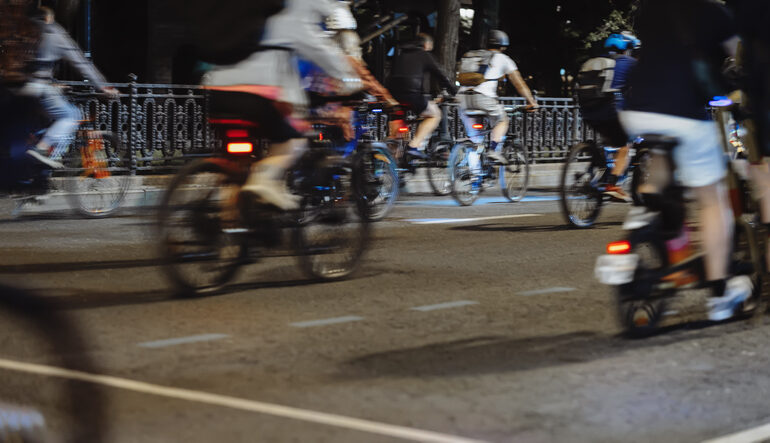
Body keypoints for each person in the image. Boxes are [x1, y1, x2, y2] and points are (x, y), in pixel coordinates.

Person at [619, 0, 749, 321]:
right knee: (712, 198)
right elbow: (741, 57)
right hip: (682, 111)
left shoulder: (651, 9)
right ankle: (721, 296)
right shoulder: (714, 11)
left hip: (635, 107)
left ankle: (650, 203)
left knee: (663, 163)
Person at [202, 0, 362, 211]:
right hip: (261, 92)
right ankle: (264, 179)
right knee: (294, 141)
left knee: (235, 165)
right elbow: (321, 51)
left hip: (217, 90)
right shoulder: (291, 13)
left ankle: (227, 224)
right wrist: (350, 80)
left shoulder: (243, 14)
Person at [14, 6, 117, 169]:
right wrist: (104, 86)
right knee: (71, 115)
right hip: (38, 87)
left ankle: (31, 172)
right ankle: (41, 150)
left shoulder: (23, 31)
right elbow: (81, 62)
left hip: (16, 88)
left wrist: (55, 83)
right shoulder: (54, 33)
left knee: (36, 126)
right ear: (48, 19)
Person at [457, 29, 538, 166]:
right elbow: (519, 84)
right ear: (503, 46)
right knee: (502, 120)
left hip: (462, 98)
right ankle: (494, 151)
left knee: (475, 139)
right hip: (483, 98)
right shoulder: (502, 58)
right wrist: (531, 102)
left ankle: (474, 177)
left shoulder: (472, 55)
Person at [576, 32, 640, 202]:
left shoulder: (596, 64)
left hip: (588, 111)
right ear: (629, 49)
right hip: (610, 111)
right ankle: (612, 185)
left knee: (609, 138)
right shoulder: (631, 63)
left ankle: (599, 172)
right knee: (625, 145)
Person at [386, 33, 457, 159]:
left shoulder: (401, 54)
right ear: (426, 44)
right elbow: (440, 75)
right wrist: (453, 91)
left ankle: (388, 161)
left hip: (394, 96)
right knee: (434, 115)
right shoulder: (425, 55)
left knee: (397, 125)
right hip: (412, 95)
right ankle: (413, 146)